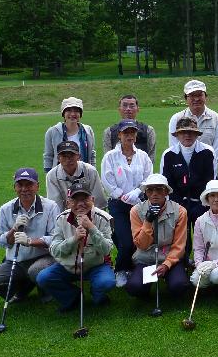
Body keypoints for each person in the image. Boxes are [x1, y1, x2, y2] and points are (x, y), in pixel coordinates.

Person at [37, 180, 116, 312]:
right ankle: (72, 297)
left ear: (92, 200)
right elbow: (55, 250)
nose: (80, 204)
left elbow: (107, 249)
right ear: (68, 203)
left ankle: (97, 296)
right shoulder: (61, 219)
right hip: (69, 266)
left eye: (85, 198)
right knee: (43, 277)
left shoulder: (103, 218)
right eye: (75, 200)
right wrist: (73, 239)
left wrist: (92, 228)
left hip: (95, 265)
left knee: (106, 282)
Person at [0, 168, 57, 302]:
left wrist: (30, 241)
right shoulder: (5, 209)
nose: (24, 189)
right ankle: (25, 286)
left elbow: (56, 238)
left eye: (29, 184)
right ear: (14, 187)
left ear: (37, 186)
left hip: (44, 258)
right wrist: (13, 229)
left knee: (35, 271)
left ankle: (45, 290)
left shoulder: (50, 206)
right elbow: (0, 241)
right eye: (20, 185)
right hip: (16, 261)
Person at [101, 119, 153, 288]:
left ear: (136, 135)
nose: (129, 136)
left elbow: (147, 177)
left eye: (132, 133)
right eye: (126, 133)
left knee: (142, 239)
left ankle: (134, 267)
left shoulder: (143, 156)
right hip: (118, 204)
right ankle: (120, 269)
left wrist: (137, 192)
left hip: (139, 203)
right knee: (125, 241)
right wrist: (121, 195)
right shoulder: (110, 156)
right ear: (119, 135)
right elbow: (107, 179)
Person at [125, 174, 190, 299]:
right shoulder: (136, 211)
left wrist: (166, 265)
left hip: (170, 259)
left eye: (159, 189)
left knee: (179, 286)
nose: (154, 193)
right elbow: (142, 245)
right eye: (150, 189)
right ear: (146, 192)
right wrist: (148, 221)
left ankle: (171, 277)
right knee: (135, 288)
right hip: (146, 258)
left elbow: (179, 245)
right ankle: (145, 282)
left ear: (166, 191)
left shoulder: (180, 211)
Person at [160, 118, 215, 228]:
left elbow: (210, 181)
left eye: (191, 132)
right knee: (182, 242)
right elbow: (166, 184)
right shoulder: (168, 155)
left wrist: (203, 204)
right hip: (177, 205)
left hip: (201, 205)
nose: (187, 135)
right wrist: (177, 206)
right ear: (177, 135)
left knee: (203, 240)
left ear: (196, 134)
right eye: (183, 132)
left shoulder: (208, 152)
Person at [45, 141, 106, 212]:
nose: (68, 160)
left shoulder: (90, 171)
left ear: (78, 156)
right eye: (64, 156)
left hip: (90, 213)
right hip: (65, 217)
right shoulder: (52, 176)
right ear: (58, 158)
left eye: (71, 155)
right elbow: (56, 206)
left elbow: (99, 201)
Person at [168, 79, 218, 154]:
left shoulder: (216, 119)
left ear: (205, 96)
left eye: (199, 95)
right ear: (186, 98)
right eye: (192, 95)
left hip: (208, 163)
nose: (196, 99)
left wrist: (211, 164)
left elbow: (217, 148)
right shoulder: (176, 119)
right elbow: (174, 148)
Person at [43, 97, 95, 172]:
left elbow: (92, 155)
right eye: (69, 110)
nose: (73, 114)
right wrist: (49, 177)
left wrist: (93, 172)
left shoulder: (87, 131)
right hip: (60, 177)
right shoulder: (52, 132)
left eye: (76, 111)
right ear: (63, 113)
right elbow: (48, 156)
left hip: (84, 175)